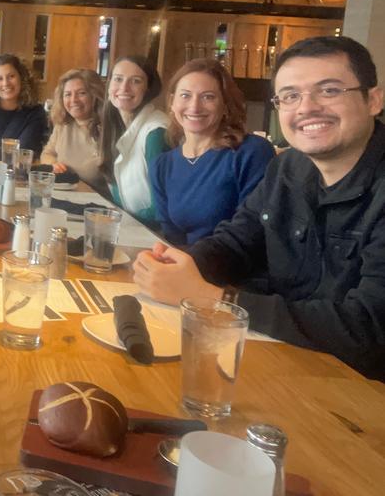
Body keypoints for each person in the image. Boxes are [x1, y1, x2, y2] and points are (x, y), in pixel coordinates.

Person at [133, 36, 385, 381]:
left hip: (359, 391)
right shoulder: (289, 168)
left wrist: (216, 298)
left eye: (329, 91)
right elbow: (238, 240)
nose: (307, 107)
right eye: (291, 96)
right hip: (287, 361)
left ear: (373, 99)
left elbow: (369, 329)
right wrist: (184, 265)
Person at [150, 58, 275, 245]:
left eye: (208, 96)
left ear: (225, 105)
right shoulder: (162, 165)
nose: (194, 106)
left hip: (236, 270)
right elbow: (171, 237)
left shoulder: (251, 152)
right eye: (185, 95)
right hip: (184, 266)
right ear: (172, 102)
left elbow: (252, 233)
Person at [99, 56, 169, 226]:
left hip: (154, 236)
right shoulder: (116, 127)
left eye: (136, 81)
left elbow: (160, 208)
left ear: (148, 89)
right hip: (130, 228)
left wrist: (115, 222)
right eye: (118, 79)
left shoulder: (155, 133)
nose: (124, 87)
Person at [41, 68, 108, 192]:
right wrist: (54, 163)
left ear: (95, 95)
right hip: (64, 194)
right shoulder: (63, 125)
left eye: (81, 93)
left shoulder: (108, 129)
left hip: (96, 200)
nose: (74, 100)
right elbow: (47, 153)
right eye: (68, 94)